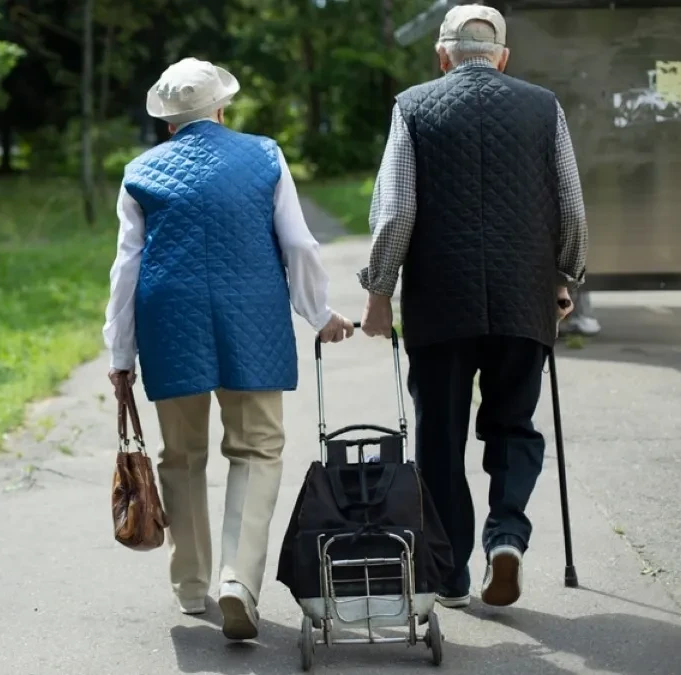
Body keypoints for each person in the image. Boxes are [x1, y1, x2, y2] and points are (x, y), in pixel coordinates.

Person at [102, 57, 355, 641]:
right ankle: (239, 579)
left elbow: (127, 268)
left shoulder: (140, 172)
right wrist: (319, 315)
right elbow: (298, 244)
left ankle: (192, 585)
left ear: (169, 122)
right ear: (221, 109)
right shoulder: (265, 155)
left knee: (180, 456)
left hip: (171, 322)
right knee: (257, 450)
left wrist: (120, 354)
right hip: (252, 321)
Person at [357, 5, 588, 610]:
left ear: (443, 56)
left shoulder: (412, 107)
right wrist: (564, 275)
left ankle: (450, 573)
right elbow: (571, 206)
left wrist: (379, 291)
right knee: (513, 425)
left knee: (440, 438)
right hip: (523, 298)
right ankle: (506, 536)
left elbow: (396, 210)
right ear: (503, 57)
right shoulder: (545, 107)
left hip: (441, 304)